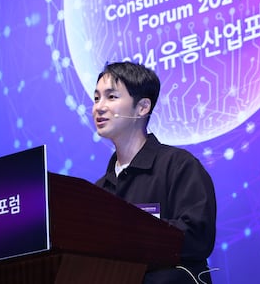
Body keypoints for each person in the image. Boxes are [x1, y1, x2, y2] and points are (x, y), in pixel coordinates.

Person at [93, 61, 217, 284]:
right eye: (96, 98)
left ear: (142, 107)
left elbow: (197, 237)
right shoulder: (97, 190)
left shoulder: (179, 166)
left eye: (111, 97)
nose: (99, 107)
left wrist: (127, 235)